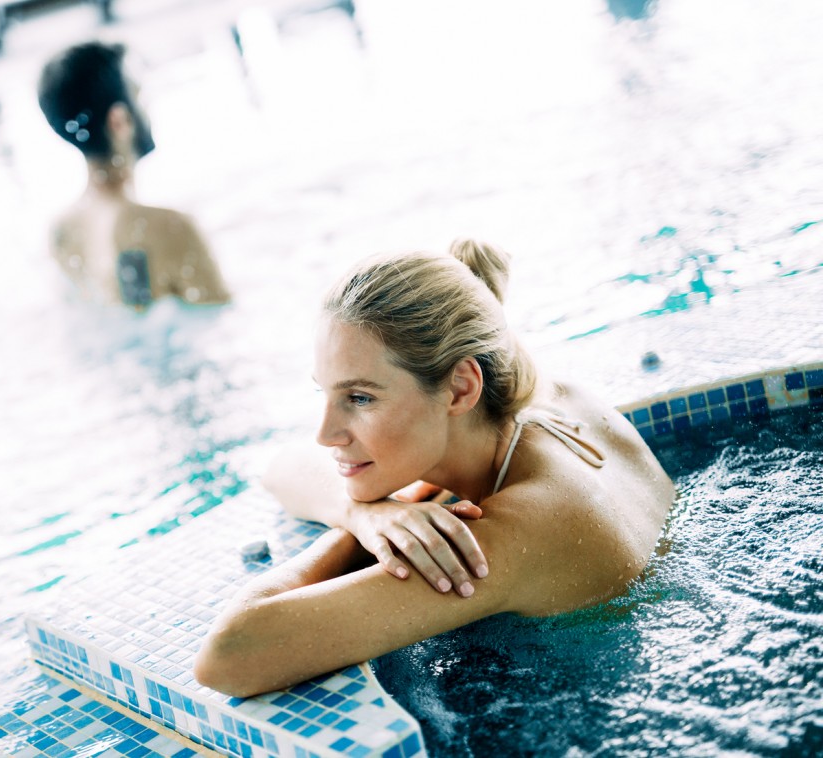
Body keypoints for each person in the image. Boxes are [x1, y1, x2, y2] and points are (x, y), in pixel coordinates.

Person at [193, 239, 675, 697]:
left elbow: (229, 655)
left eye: (360, 397)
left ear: (462, 388)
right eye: (326, 393)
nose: (325, 433)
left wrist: (364, 524)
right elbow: (279, 467)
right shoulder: (553, 401)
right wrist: (365, 515)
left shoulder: (510, 534)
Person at [36, 41, 231, 310]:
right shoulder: (169, 228)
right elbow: (222, 323)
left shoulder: (61, 232)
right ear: (119, 120)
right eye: (140, 97)